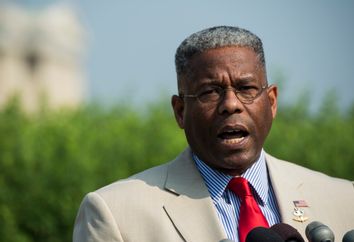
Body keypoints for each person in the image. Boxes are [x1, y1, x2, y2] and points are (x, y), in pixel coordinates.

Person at [73, 26, 354, 242]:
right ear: (180, 111)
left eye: (246, 89)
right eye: (210, 92)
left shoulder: (342, 199)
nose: (231, 104)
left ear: (271, 102)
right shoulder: (115, 213)